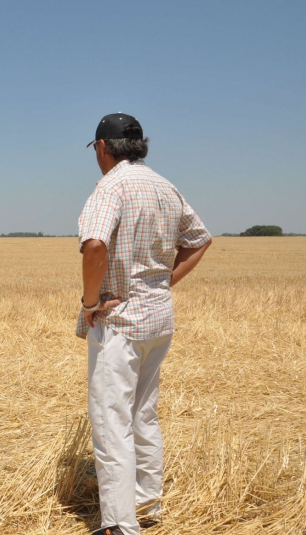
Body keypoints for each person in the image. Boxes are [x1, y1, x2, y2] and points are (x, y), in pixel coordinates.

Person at [77, 113, 212, 535]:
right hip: (159, 319)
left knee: (111, 419)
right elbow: (200, 239)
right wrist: (162, 282)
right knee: (143, 414)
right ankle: (146, 505)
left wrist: (90, 301)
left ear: (102, 147)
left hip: (120, 323)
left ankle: (119, 525)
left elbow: (95, 244)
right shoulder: (164, 185)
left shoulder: (110, 186)